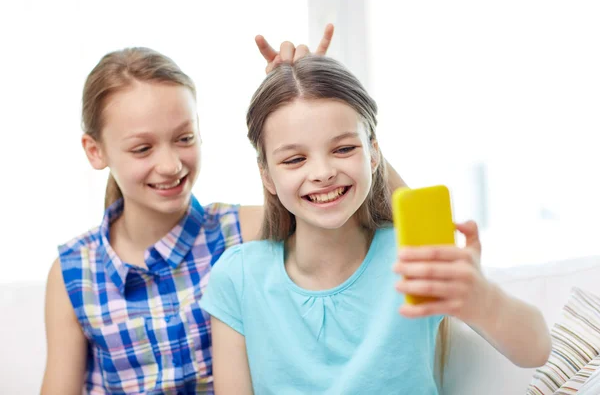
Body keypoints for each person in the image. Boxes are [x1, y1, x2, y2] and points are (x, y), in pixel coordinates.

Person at [40, 26, 408, 394]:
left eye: (184, 138)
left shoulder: (243, 231)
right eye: (142, 149)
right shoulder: (74, 271)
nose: (170, 164)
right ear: (95, 151)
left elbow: (386, 215)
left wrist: (332, 112)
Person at [199, 55, 552, 394]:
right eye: (294, 159)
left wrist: (482, 299)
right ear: (268, 176)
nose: (322, 173)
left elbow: (536, 350)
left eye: (343, 149)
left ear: (373, 152)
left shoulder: (415, 254)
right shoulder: (239, 276)